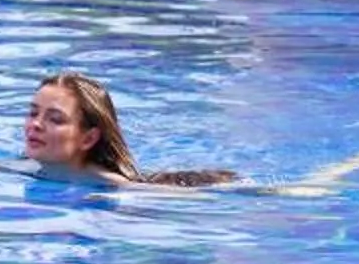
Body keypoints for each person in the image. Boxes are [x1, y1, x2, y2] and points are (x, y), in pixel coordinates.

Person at [21, 71, 241, 188]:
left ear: (88, 139)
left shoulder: (115, 187)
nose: (36, 124)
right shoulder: (18, 168)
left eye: (55, 119)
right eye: (33, 113)